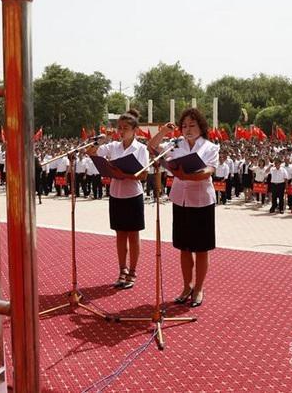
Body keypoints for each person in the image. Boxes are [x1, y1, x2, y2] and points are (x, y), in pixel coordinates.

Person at [149, 108, 218, 308]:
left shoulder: (210, 147)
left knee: (201, 248)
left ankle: (198, 287)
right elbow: (152, 149)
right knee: (184, 247)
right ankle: (187, 286)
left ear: (201, 127)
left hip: (201, 200)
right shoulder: (174, 144)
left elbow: (209, 170)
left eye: (192, 125)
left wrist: (188, 175)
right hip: (180, 198)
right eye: (184, 126)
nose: (187, 129)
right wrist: (163, 132)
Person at [87, 109, 148, 289]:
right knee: (120, 235)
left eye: (125, 128)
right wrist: (98, 141)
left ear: (134, 129)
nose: (121, 131)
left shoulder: (141, 148)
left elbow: (144, 175)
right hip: (116, 194)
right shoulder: (113, 147)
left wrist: (125, 173)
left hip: (133, 195)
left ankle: (133, 271)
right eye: (119, 128)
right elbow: (91, 152)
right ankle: (122, 269)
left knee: (133, 235)